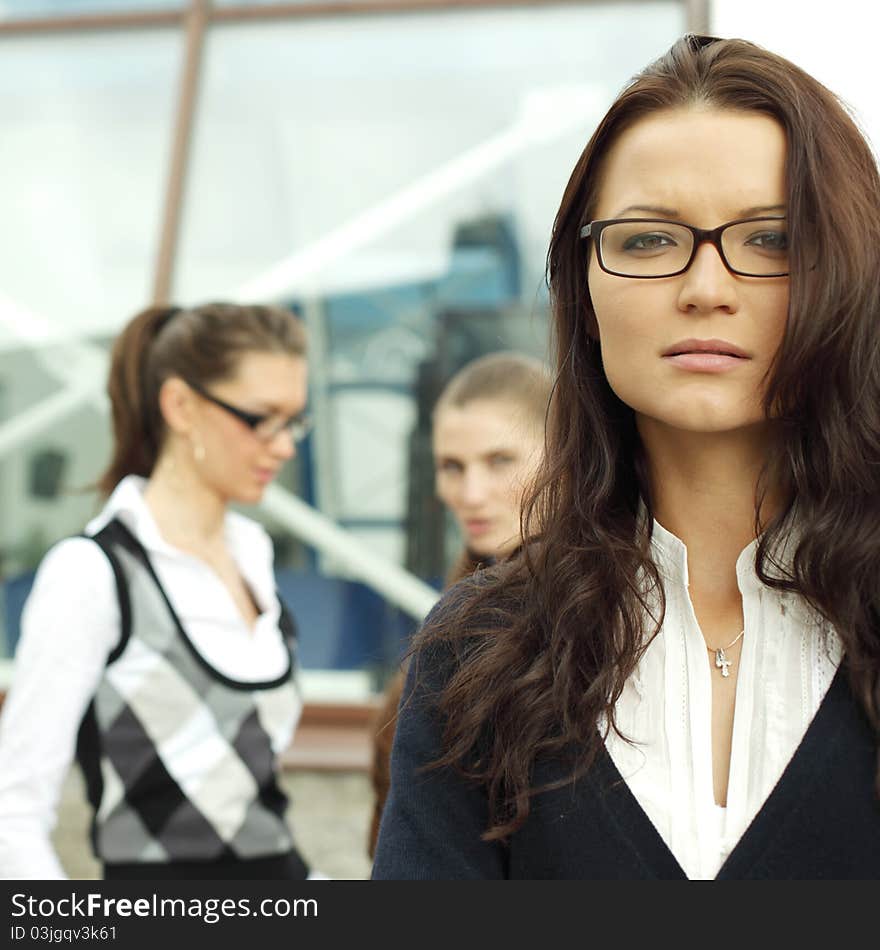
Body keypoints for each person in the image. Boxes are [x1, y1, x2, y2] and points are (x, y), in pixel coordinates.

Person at [371, 34, 880, 880]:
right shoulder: (478, 653)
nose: (707, 286)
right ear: (586, 282)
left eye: (772, 240)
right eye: (647, 240)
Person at [0, 302, 321, 880]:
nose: (284, 446)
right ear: (180, 406)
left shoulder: (253, 556)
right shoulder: (93, 574)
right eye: (262, 419)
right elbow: (12, 812)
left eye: (294, 421)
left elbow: (255, 811)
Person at [367, 351, 551, 858]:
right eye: (452, 467)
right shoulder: (463, 607)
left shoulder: (591, 608)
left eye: (499, 461)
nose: (471, 493)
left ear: (561, 452)